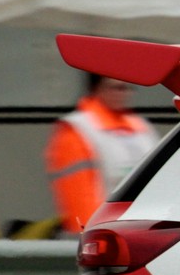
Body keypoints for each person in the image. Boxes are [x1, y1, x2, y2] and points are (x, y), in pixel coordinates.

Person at [44, 74, 157, 233]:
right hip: (102, 234)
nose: (124, 93)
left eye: (129, 88)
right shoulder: (76, 129)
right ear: (96, 88)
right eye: (117, 87)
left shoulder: (140, 127)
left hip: (140, 230)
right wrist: (92, 235)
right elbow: (78, 195)